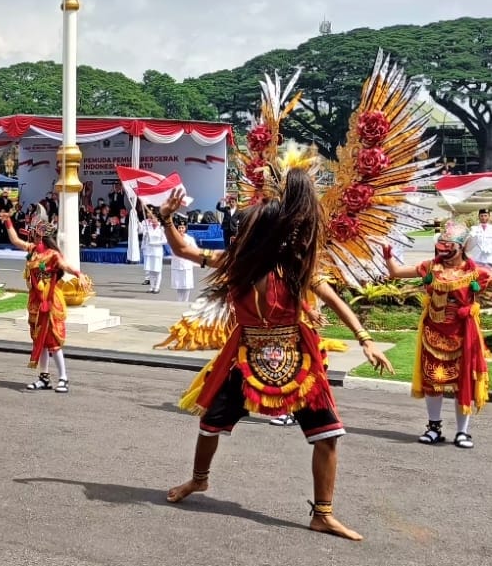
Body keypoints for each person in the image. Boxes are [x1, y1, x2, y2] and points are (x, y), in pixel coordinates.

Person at [156, 168, 394, 542]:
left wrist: (365, 338)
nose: (238, 234)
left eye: (246, 229)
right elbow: (183, 249)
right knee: (210, 424)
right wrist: (166, 217)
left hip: (297, 359)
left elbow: (335, 301)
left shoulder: (298, 267)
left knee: (328, 434)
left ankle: (323, 514)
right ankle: (198, 480)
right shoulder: (236, 264)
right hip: (246, 358)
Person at [382, 221, 490, 448]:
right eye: (441, 244)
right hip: (433, 332)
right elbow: (395, 273)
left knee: (463, 383)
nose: (443, 248)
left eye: (448, 244)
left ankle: (462, 432)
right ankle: (433, 428)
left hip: (463, 335)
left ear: (461, 247)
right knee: (434, 382)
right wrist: (388, 256)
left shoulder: (476, 273)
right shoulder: (430, 267)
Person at [2, 216, 84, 393]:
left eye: (36, 232)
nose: (32, 235)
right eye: (33, 232)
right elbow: (16, 240)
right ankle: (44, 378)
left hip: (49, 299)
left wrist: (78, 273)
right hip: (35, 300)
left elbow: (64, 265)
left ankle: (63, 378)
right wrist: (8, 222)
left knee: (52, 341)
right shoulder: (32, 250)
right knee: (39, 340)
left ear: (43, 236)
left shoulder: (52, 255)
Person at [169, 217, 198, 302]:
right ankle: (179, 301)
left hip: (186, 264)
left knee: (186, 285)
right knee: (179, 285)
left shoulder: (189, 239)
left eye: (183, 228)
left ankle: (185, 301)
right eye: (179, 228)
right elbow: (171, 249)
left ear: (185, 228)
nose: (181, 229)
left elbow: (194, 249)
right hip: (177, 263)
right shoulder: (174, 238)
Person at [141, 211, 167, 293]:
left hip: (157, 252)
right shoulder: (148, 228)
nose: (152, 220)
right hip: (149, 252)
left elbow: (165, 241)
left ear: (158, 219)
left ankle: (157, 287)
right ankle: (152, 287)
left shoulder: (161, 228)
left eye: (154, 218)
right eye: (151, 218)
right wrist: (145, 236)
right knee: (151, 270)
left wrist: (155, 243)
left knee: (157, 270)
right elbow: (144, 240)